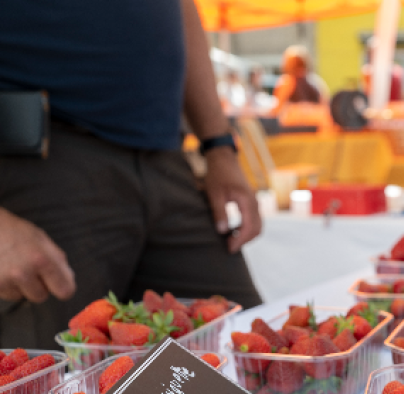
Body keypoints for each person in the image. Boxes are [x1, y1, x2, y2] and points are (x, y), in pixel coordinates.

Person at [0, 0, 263, 349]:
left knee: (253, 366)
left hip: (166, 158)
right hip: (44, 160)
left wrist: (218, 146)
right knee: (44, 388)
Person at [273, 45, 332, 131]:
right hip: (317, 124)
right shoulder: (315, 81)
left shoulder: (287, 82)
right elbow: (326, 104)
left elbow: (277, 109)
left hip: (295, 127)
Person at [360, 37, 404, 102]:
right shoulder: (367, 71)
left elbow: (399, 94)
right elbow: (366, 92)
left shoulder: (396, 71)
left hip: (392, 107)